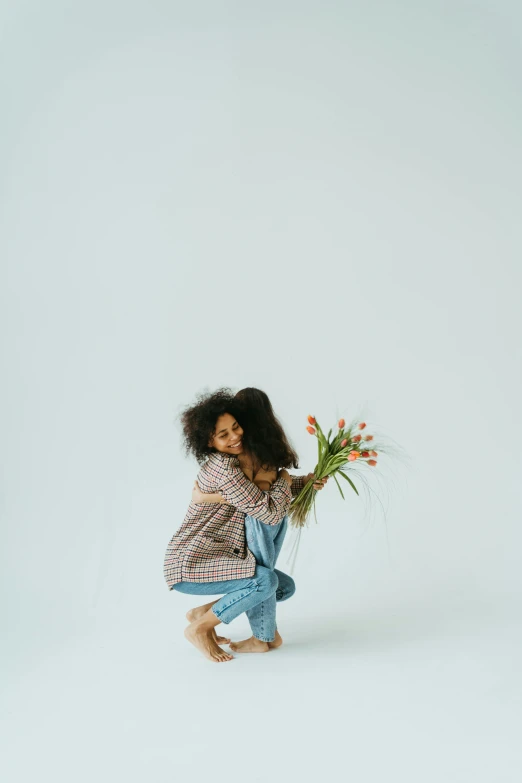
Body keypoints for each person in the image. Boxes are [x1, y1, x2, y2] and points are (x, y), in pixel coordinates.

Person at [163, 388, 325, 663]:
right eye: (223, 434)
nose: (235, 436)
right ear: (209, 442)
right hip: (193, 561)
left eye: (236, 428)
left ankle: (203, 613)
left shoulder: (238, 463)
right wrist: (286, 481)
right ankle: (200, 628)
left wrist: (303, 482)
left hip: (223, 556)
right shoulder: (225, 470)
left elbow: (259, 494)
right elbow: (269, 513)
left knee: (283, 587)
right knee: (266, 581)